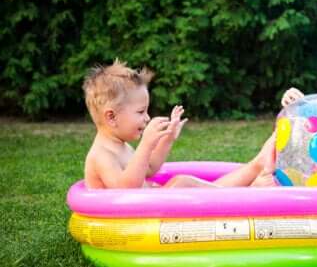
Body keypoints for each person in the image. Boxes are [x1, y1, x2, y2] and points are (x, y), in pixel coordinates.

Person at [82, 60, 276, 189]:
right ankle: (251, 191)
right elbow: (125, 190)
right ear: (111, 117)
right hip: (140, 220)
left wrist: (167, 139)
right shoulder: (102, 156)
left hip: (150, 206)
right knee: (182, 183)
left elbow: (148, 169)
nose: (147, 118)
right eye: (141, 112)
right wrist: (146, 144)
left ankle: (256, 166)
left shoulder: (120, 145)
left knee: (186, 183)